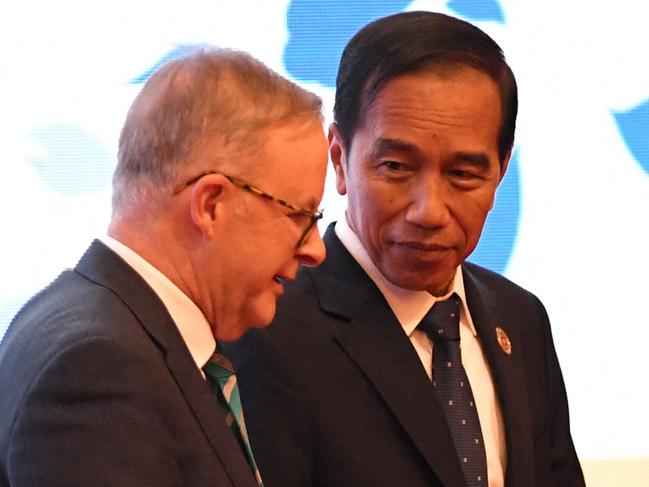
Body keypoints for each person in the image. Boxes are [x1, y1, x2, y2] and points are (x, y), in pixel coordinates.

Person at [226, 11, 585, 487]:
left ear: (501, 170)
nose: (428, 211)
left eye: (463, 174)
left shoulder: (520, 318)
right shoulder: (268, 330)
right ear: (339, 158)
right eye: (395, 166)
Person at [0, 47, 328, 486]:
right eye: (299, 215)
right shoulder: (101, 368)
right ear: (211, 205)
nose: (316, 250)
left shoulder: (97, 326)